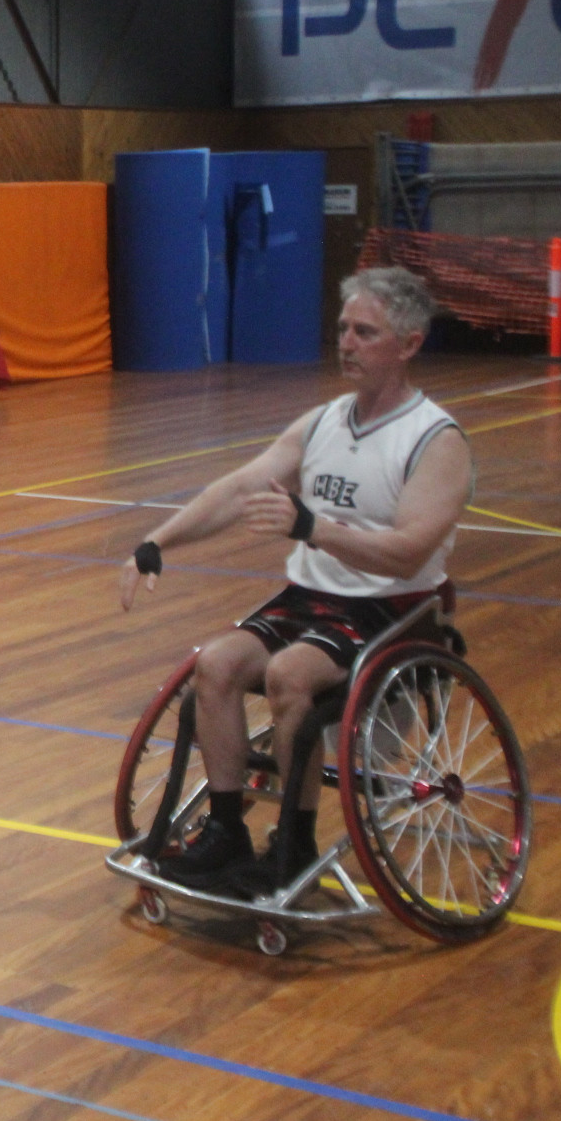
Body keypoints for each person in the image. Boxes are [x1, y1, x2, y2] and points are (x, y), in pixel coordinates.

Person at [118, 266, 472, 894]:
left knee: (289, 675)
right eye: (342, 329)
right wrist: (157, 541)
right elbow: (239, 489)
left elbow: (409, 554)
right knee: (216, 663)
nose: (347, 342)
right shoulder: (324, 421)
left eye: (365, 331)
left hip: (392, 608)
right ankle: (226, 831)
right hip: (311, 600)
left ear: (410, 343)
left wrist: (311, 526)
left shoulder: (436, 440)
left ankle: (296, 840)